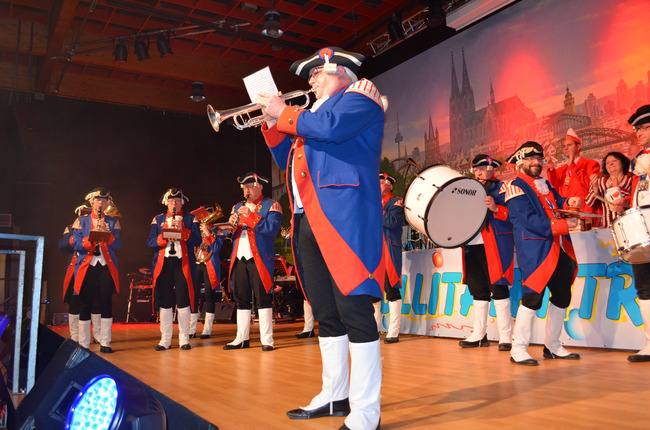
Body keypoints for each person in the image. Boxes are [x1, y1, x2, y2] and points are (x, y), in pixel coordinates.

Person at [258, 46, 386, 430]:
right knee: (327, 313)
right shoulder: (312, 116)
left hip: (344, 219)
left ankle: (366, 412)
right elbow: (287, 160)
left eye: (318, 73)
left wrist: (285, 112)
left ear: (342, 73)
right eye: (309, 75)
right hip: (307, 220)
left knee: (355, 311)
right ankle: (335, 395)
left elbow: (331, 130)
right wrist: (271, 121)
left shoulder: (360, 96)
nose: (310, 80)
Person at [501, 142, 582, 366]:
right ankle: (518, 349)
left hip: (559, 247)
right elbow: (531, 222)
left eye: (539, 158)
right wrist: (566, 225)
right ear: (520, 162)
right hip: (536, 250)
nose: (537, 162)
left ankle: (553, 346)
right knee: (532, 298)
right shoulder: (514, 188)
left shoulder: (543, 183)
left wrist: (570, 201)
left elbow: (557, 201)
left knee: (563, 295)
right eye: (531, 159)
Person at [458, 155, 514, 351]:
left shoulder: (502, 188)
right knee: (477, 290)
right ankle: (479, 334)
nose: (478, 172)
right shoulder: (466, 191)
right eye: (476, 169)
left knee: (498, 287)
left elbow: (513, 214)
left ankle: (506, 336)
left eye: (482, 168)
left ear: (492, 169)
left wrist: (496, 207)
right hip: (472, 244)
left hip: (493, 243)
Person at [224, 173, 282, 351]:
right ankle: (242, 339)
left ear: (260, 187)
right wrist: (230, 224)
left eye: (250, 187)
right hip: (240, 257)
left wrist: (250, 215)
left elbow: (271, 229)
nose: (246, 190)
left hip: (260, 259)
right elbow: (229, 234)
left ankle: (267, 340)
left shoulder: (272, 205)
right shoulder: (236, 206)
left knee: (263, 298)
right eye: (244, 188)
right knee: (241, 299)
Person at [148, 188, 201, 351]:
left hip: (182, 263)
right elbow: (150, 243)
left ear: (182, 203)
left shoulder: (192, 219)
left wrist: (183, 231)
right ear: (166, 203)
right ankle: (165, 339)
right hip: (164, 264)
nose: (174, 204)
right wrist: (164, 237)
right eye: (171, 201)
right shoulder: (158, 219)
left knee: (184, 300)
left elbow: (197, 240)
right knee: (165, 301)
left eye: (177, 201)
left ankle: (184, 338)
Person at [72, 188, 121, 353]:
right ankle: (84, 343)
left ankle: (105, 342)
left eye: (104, 201)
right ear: (92, 202)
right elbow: (77, 245)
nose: (101, 203)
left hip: (105, 265)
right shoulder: (81, 221)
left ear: (107, 204)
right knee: (85, 303)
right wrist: (91, 237)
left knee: (106, 303)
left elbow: (118, 246)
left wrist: (106, 231)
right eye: (98, 200)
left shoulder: (113, 222)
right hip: (88, 265)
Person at [625, 105, 650, 362]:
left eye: (643, 128)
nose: (638, 133)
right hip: (642, 231)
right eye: (636, 129)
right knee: (644, 287)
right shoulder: (638, 161)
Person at [373, 173, 404, 344]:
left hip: (389, 249)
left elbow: (392, 221)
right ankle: (373, 328)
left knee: (391, 289)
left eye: (379, 184)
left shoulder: (396, 202)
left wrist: (377, 209)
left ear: (388, 185)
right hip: (373, 252)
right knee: (373, 292)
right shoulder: (372, 203)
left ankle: (394, 330)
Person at [546, 128, 600, 213]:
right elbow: (554, 189)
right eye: (564, 146)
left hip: (584, 211)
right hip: (567, 213)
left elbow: (589, 186)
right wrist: (552, 168)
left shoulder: (591, 164)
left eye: (569, 145)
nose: (565, 148)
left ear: (578, 147)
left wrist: (572, 165)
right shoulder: (561, 170)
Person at [190, 207, 225, 339]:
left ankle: (207, 330)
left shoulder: (218, 231)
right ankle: (192, 329)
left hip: (209, 264)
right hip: (197, 263)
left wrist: (207, 232)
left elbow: (215, 248)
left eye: (210, 215)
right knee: (194, 296)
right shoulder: (196, 230)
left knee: (209, 297)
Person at [584, 152, 632, 228]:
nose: (611, 164)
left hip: (628, 224)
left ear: (622, 163)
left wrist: (616, 188)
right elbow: (590, 203)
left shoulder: (631, 180)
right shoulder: (600, 182)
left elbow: (634, 200)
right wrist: (595, 189)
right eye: (608, 163)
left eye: (614, 160)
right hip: (607, 226)